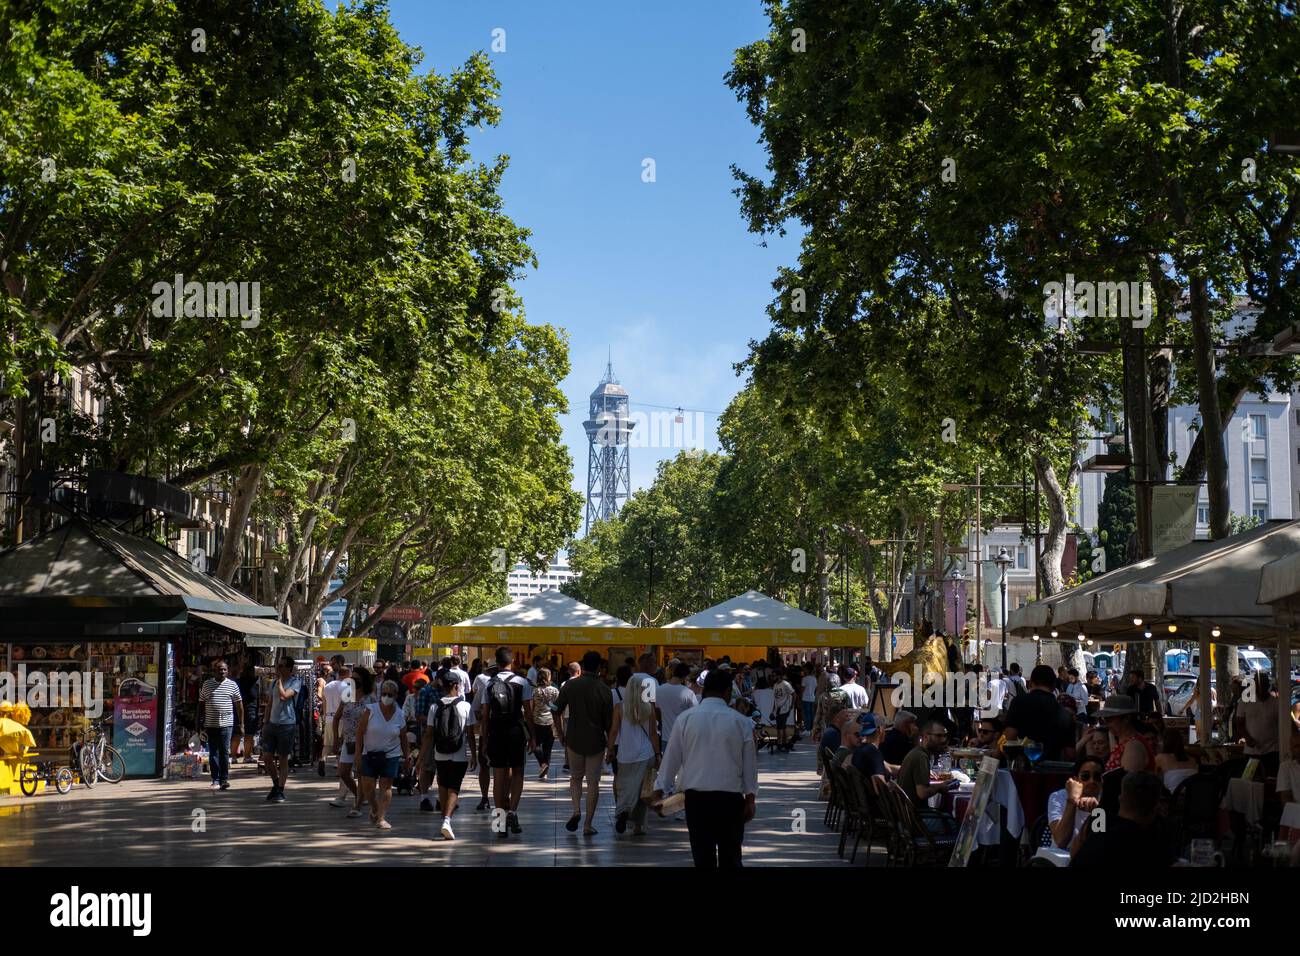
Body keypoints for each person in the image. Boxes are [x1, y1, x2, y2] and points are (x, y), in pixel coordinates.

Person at [653, 669, 757, 868]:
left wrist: (659, 791)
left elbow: (671, 759)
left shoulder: (685, 719)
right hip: (730, 801)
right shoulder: (741, 723)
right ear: (728, 692)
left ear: (705, 688)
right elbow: (749, 765)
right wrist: (750, 799)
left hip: (697, 802)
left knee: (702, 858)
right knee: (731, 858)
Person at [475, 646, 534, 838]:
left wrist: (484, 740)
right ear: (512, 661)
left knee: (498, 776)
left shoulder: (489, 684)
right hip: (515, 731)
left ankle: (499, 822)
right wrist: (532, 736)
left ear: (496, 662)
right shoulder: (522, 682)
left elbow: (485, 715)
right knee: (518, 772)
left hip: (495, 732)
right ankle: (513, 812)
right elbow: (528, 712)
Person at [555, 651, 613, 835]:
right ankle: (588, 824)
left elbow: (555, 709)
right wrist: (610, 747)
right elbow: (609, 724)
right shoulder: (604, 689)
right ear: (599, 667)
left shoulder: (570, 686)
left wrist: (559, 734)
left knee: (575, 777)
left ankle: (576, 811)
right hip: (596, 741)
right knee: (593, 783)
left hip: (573, 739)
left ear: (583, 665)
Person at [1070, 771, 1176, 867]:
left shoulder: (1101, 821)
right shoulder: (1158, 835)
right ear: (1157, 804)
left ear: (1121, 798)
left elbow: (1075, 852)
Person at [354, 679, 411, 829]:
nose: (386, 697)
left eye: (390, 695)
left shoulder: (399, 714)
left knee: (386, 786)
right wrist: (358, 754)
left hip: (390, 755)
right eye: (384, 694)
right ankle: (374, 807)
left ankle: (381, 817)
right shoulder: (370, 710)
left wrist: (407, 756)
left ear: (396, 696)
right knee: (368, 787)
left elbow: (403, 737)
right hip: (369, 754)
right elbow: (359, 733)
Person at [607, 671, 659, 836]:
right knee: (642, 791)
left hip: (625, 754)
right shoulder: (649, 707)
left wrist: (610, 750)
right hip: (645, 753)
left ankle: (623, 810)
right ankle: (638, 826)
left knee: (625, 787)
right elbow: (652, 734)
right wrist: (658, 753)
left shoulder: (620, 707)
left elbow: (614, 731)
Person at [423, 670, 472, 840]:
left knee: (443, 786)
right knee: (454, 788)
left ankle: (444, 821)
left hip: (440, 754)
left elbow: (429, 734)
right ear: (456, 686)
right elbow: (471, 733)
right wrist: (474, 753)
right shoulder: (465, 706)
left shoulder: (435, 706)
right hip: (459, 755)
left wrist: (421, 757)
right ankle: (447, 820)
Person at [1003, 664, 1075, 760]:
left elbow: (1009, 738)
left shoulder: (1019, 702)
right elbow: (1070, 754)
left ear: (1031, 683)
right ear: (1054, 687)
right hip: (1052, 769)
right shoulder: (1065, 714)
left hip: (1024, 768)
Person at [332, 666, 374, 813]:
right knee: (344, 772)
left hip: (365, 741)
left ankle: (358, 805)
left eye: (357, 679)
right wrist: (336, 738)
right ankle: (360, 796)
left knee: (362, 773)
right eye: (352, 678)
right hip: (348, 740)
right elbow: (337, 717)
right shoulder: (347, 695)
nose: (353, 681)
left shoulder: (371, 698)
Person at [262, 657, 303, 803]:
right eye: (277, 666)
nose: (278, 668)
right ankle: (276, 784)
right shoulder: (273, 683)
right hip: (272, 724)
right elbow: (270, 703)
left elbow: (284, 696)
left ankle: (280, 789)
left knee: (283, 758)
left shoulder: (295, 682)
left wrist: (279, 680)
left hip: (287, 724)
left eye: (281, 666)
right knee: (267, 757)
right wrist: (265, 722)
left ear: (289, 669)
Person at [198, 659, 243, 791]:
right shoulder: (207, 685)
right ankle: (215, 779)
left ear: (227, 671)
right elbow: (200, 704)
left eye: (224, 669)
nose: (222, 671)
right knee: (213, 752)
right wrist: (198, 722)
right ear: (214, 671)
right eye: (219, 669)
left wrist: (241, 723)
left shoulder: (232, 685)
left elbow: (239, 704)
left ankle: (224, 779)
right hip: (211, 724)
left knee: (224, 751)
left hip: (227, 724)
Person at [896, 717, 958, 807]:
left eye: (945, 736)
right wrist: (940, 786)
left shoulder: (917, 752)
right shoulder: (921, 756)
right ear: (926, 736)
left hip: (910, 814)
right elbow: (923, 793)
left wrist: (940, 785)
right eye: (939, 736)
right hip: (917, 817)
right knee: (955, 820)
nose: (943, 740)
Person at [1047, 756, 1104, 851]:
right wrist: (1072, 801)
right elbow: (1061, 841)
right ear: (1076, 779)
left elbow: (1098, 843)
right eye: (1085, 776)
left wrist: (1097, 811)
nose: (1092, 781)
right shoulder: (1059, 796)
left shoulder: (1105, 800)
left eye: (1097, 776)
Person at [1096, 695, 1156, 772]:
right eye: (1104, 719)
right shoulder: (1125, 742)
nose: (1106, 723)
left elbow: (1127, 782)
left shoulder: (1133, 746)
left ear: (1126, 718)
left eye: (1109, 719)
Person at [1239, 672, 1282, 776]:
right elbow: (1239, 723)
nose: (1260, 687)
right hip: (1251, 751)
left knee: (1271, 781)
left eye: (1263, 684)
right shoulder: (1245, 701)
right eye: (1258, 684)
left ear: (1268, 685)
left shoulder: (1276, 703)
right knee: (1249, 780)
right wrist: (1247, 738)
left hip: (1272, 751)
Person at [838, 711, 888, 785]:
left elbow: (887, 767)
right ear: (880, 730)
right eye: (885, 728)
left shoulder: (859, 751)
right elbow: (880, 786)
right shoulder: (874, 753)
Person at [530, 668, 559, 779]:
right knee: (548, 748)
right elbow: (557, 708)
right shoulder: (555, 691)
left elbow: (532, 707)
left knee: (535, 745)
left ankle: (543, 764)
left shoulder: (534, 691)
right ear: (548, 677)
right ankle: (545, 770)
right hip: (550, 721)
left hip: (537, 721)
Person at [1155, 728, 1198, 793]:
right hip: (1195, 797)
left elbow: (1153, 780)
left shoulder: (1160, 758)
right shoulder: (1192, 759)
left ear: (1164, 742)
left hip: (1175, 800)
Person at [770, 668, 796, 751]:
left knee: (779, 728)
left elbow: (794, 694)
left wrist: (791, 706)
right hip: (778, 710)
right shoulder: (775, 685)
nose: (772, 677)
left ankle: (780, 744)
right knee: (783, 727)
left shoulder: (785, 684)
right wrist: (773, 711)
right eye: (772, 676)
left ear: (779, 676)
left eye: (774, 676)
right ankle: (786, 743)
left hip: (784, 709)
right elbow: (775, 700)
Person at [801, 665, 820, 733]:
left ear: (807, 670)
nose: (804, 671)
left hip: (805, 698)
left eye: (805, 669)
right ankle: (812, 728)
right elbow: (816, 688)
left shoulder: (804, 679)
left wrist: (800, 696)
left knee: (807, 715)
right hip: (812, 698)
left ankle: (807, 729)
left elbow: (802, 689)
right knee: (812, 714)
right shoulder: (814, 679)